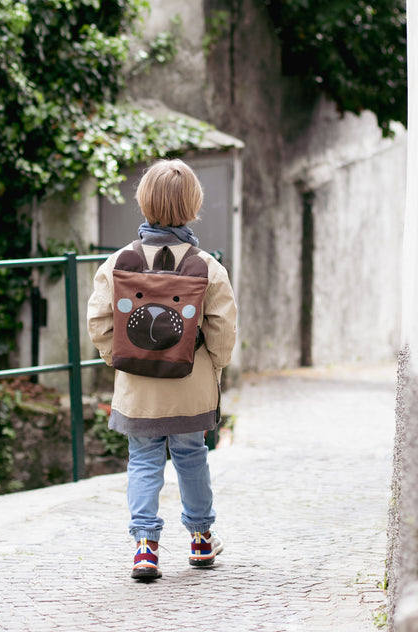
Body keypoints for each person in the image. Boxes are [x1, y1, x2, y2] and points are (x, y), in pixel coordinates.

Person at [87, 158, 237, 581]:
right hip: (190, 382)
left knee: (143, 459)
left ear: (143, 200)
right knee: (192, 457)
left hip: (138, 385)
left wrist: (119, 361)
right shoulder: (207, 266)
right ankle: (201, 539)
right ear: (193, 205)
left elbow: (99, 321)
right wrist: (214, 368)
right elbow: (223, 329)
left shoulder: (118, 263)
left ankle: (145, 549)